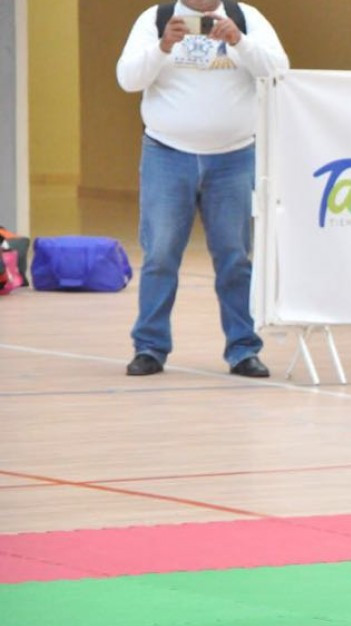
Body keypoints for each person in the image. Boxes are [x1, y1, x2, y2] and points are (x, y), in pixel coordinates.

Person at [116, 0, 288, 377]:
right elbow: (128, 79)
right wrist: (162, 46)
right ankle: (149, 348)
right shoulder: (155, 19)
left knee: (235, 258)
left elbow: (279, 72)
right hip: (166, 152)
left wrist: (240, 41)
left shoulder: (247, 18)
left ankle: (244, 349)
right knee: (160, 255)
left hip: (234, 156)